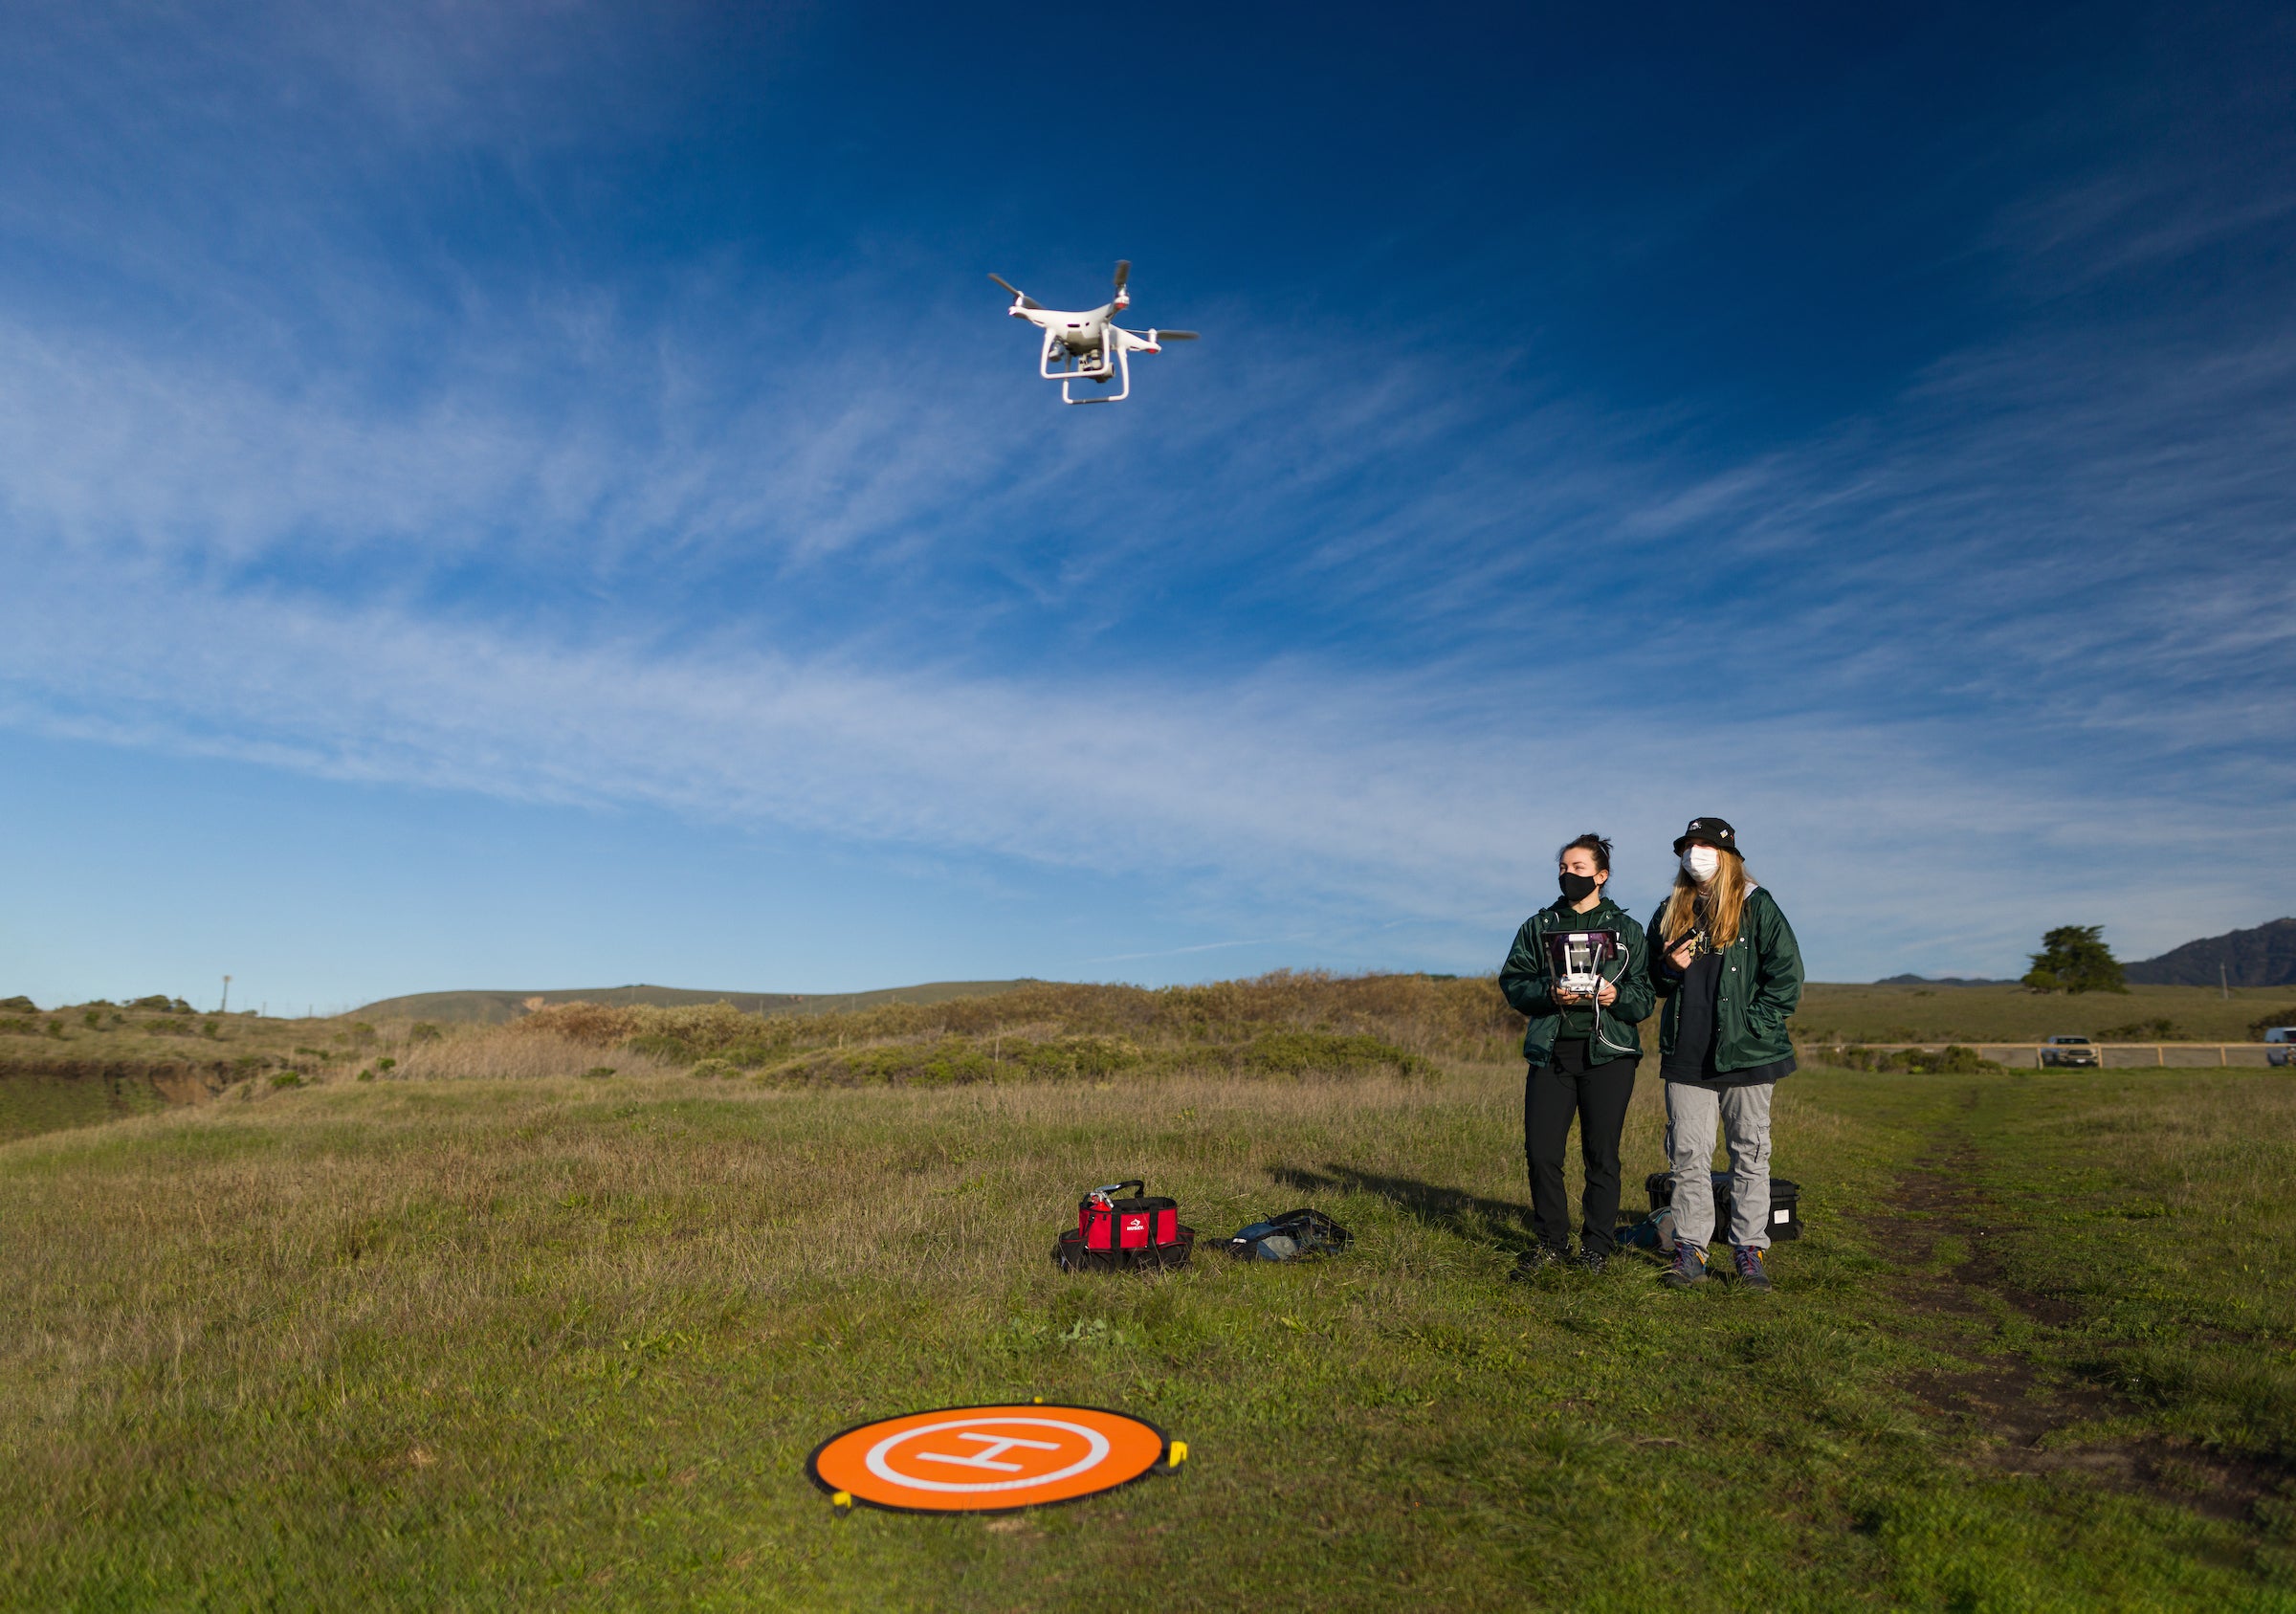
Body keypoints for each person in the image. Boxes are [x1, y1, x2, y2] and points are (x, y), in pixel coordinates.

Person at [1647, 816, 1803, 1291]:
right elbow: (1653, 983)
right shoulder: (1672, 909)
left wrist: (1749, 1028)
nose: (1696, 854)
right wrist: (1669, 968)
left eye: (1706, 846)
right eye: (1688, 846)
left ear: (1728, 854)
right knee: (1688, 1155)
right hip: (1687, 1054)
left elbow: (1787, 979)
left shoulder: (1759, 906)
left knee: (1750, 1154)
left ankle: (1748, 1250)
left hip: (1748, 1055)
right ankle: (1690, 1250)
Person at [1499, 833, 1655, 1272]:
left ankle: (1596, 1249)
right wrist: (1550, 993)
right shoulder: (1539, 925)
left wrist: (1615, 995)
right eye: (1564, 868)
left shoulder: (1628, 931)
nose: (1569, 875)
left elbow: (1644, 996)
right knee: (1542, 1152)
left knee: (1600, 1155)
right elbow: (1514, 982)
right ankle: (1551, 1242)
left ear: (1601, 876)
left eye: (1579, 869)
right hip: (1551, 1052)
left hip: (1609, 1054)